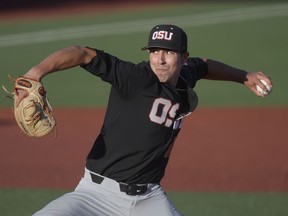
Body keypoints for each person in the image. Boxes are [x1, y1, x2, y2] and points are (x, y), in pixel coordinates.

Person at [17, 24, 272, 216]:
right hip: (94, 195)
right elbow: (82, 53)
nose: (159, 60)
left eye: (168, 53)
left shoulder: (185, 76)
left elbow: (203, 66)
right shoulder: (134, 77)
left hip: (150, 199)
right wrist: (35, 73)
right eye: (154, 51)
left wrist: (243, 76)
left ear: (183, 58)